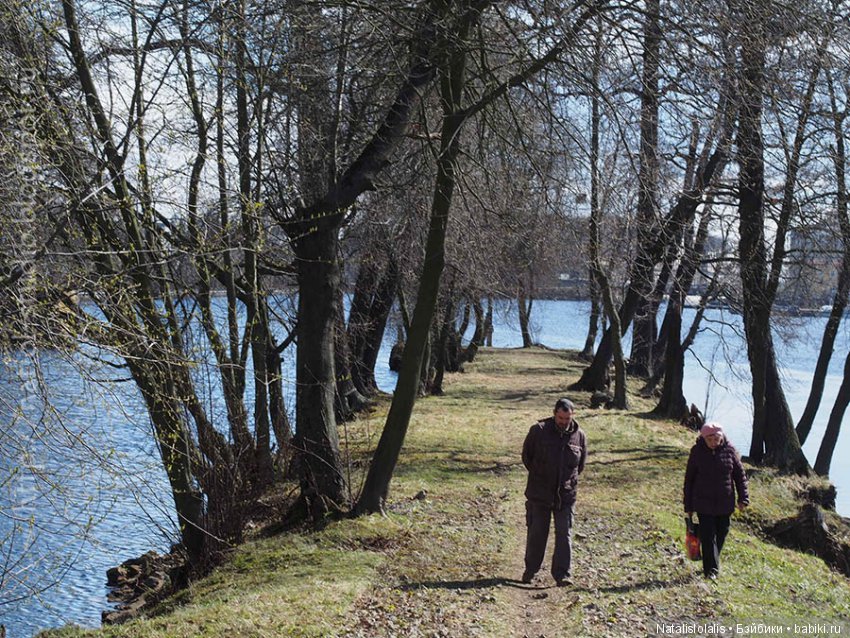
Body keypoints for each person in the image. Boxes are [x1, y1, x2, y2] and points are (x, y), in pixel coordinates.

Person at [521, 397, 587, 586]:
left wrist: (568, 482)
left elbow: (580, 466)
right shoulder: (538, 431)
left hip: (566, 496)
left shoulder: (579, 436)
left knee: (564, 534)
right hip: (539, 494)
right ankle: (531, 570)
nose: (564, 423)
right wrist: (540, 477)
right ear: (554, 414)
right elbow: (527, 456)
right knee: (537, 533)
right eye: (560, 418)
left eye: (567, 419)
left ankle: (563, 575)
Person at [683, 422, 749, 579]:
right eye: (710, 439)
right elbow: (689, 480)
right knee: (707, 536)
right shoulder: (697, 452)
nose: (713, 443)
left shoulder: (729, 451)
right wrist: (688, 505)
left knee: (721, 533)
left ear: (721, 437)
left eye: (716, 439)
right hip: (703, 503)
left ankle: (711, 558)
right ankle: (711, 571)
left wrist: (743, 498)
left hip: (725, 503)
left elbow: (740, 476)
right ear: (703, 438)